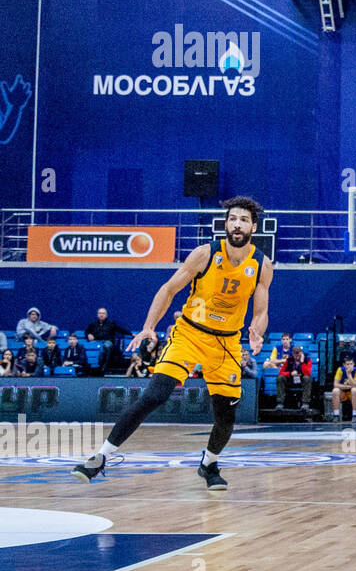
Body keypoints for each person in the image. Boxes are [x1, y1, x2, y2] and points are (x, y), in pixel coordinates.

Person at [73, 196, 272, 492]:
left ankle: (209, 464)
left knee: (227, 414)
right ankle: (100, 457)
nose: (237, 224)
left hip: (227, 344)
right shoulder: (204, 254)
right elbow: (168, 290)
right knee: (155, 395)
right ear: (225, 224)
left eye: (243, 219)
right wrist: (149, 327)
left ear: (253, 226)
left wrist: (256, 331)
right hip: (190, 334)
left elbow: (261, 311)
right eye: (232, 219)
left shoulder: (262, 264)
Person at [85, 308, 130, 373]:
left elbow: (121, 330)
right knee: (93, 347)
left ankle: (103, 367)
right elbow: (87, 331)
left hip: (107, 341)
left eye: (103, 313)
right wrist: (88, 334)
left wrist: (131, 334)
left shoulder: (111, 323)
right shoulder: (93, 324)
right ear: (97, 315)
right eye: (100, 313)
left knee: (106, 346)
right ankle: (91, 367)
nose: (101, 315)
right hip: (96, 342)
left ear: (106, 315)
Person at [276, 346, 314, 414]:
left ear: (301, 353)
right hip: (291, 380)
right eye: (295, 354)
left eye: (298, 354)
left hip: (302, 380)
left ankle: (305, 403)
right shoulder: (289, 360)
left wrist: (302, 362)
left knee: (307, 378)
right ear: (292, 354)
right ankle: (280, 403)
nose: (297, 356)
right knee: (280, 378)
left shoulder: (308, 360)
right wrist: (290, 374)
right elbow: (281, 372)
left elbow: (307, 373)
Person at [330, 355, 356, 422]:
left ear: (354, 364)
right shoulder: (340, 370)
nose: (349, 366)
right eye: (347, 364)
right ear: (344, 365)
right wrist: (348, 387)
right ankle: (336, 415)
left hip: (354, 393)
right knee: (335, 391)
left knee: (354, 390)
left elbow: (355, 385)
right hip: (343, 392)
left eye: (351, 364)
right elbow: (335, 384)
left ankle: (355, 415)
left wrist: (349, 375)